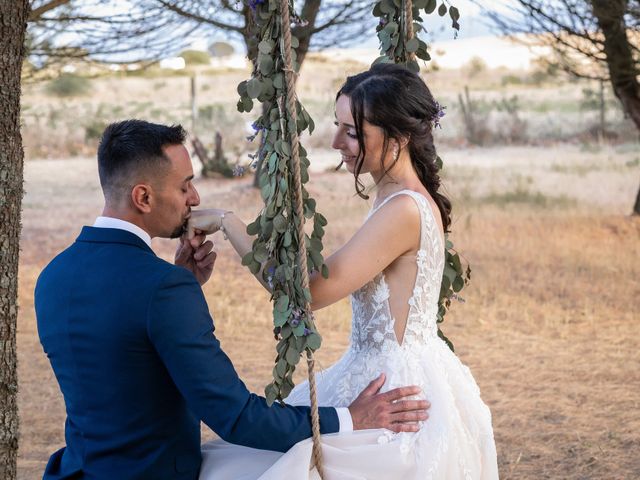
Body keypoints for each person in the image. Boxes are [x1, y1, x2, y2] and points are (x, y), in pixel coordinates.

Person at [34, 119, 431, 480]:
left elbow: (119, 365)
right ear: (143, 197)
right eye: (184, 184)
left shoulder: (52, 277)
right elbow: (236, 417)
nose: (195, 197)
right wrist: (351, 418)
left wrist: (182, 283)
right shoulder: (163, 290)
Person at [190, 64, 499, 479]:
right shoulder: (392, 196)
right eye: (338, 126)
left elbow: (306, 295)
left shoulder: (404, 209)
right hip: (375, 370)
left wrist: (228, 221)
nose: (336, 142)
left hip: (394, 390)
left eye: (352, 132)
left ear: (400, 136)